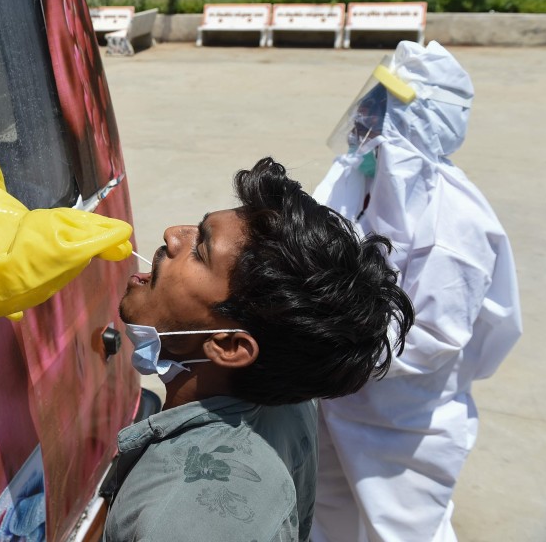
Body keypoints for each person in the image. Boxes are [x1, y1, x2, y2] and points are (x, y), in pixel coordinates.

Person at [105, 157, 415, 542]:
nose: (172, 235)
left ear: (230, 346)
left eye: (200, 250)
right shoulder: (285, 391)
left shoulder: (182, 518)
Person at [311, 41, 522, 542]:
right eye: (372, 98)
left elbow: (431, 340)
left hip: (404, 425)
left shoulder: (455, 226)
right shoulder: (354, 177)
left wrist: (323, 338)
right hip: (336, 395)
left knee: (402, 532)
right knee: (325, 518)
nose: (365, 114)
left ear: (423, 123)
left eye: (385, 104)